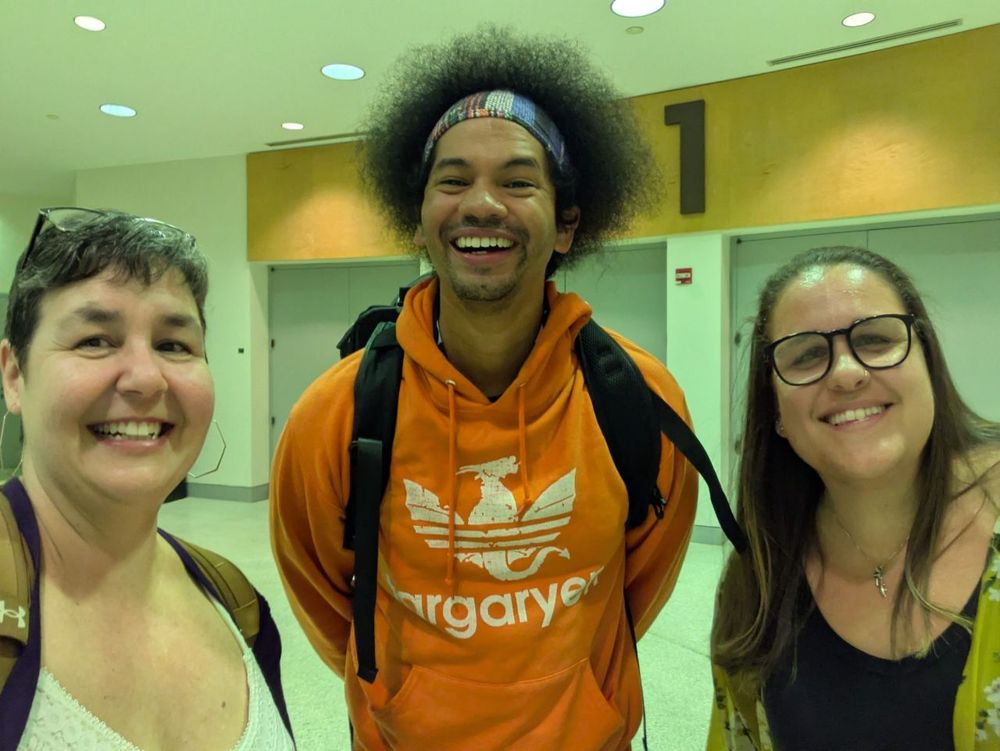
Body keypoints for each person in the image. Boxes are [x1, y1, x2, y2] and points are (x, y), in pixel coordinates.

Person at [270, 25, 698, 751]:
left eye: (519, 180)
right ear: (419, 217)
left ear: (566, 224)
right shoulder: (336, 413)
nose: (484, 204)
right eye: (454, 179)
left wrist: (586, 695)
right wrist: (400, 698)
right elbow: (324, 600)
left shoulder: (640, 399)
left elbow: (635, 590)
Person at [0, 208, 295, 750]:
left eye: (173, 345)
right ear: (14, 375)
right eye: (94, 340)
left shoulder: (238, 605)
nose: (144, 378)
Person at [707, 246, 1000, 750]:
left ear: (929, 365)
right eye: (806, 354)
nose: (846, 373)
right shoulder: (756, 581)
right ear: (775, 409)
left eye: (875, 338)